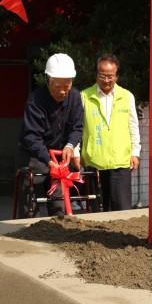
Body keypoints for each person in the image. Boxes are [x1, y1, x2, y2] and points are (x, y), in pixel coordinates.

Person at [15, 53, 84, 218]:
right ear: (48, 80)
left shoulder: (74, 97)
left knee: (59, 198)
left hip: (59, 154)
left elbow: (77, 127)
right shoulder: (35, 100)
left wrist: (70, 146)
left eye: (66, 86)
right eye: (57, 86)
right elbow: (32, 137)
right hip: (33, 155)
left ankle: (59, 232)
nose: (62, 91)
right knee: (29, 201)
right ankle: (27, 232)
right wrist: (47, 160)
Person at [79, 54, 141, 212]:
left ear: (117, 76)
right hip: (94, 161)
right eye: (102, 76)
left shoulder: (127, 96)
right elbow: (77, 127)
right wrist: (76, 151)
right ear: (96, 75)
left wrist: (135, 152)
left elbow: (133, 126)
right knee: (97, 211)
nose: (106, 80)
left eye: (110, 76)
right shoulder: (84, 96)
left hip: (120, 161)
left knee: (122, 209)